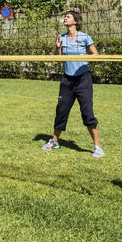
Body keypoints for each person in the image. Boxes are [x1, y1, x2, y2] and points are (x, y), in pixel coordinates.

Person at [42, 10, 104, 158]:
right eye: (64, 16)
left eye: (68, 17)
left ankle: (97, 147)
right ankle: (55, 141)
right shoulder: (61, 37)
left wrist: (87, 55)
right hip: (67, 79)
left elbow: (96, 55)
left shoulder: (85, 37)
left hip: (83, 79)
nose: (65, 18)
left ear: (76, 21)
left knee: (87, 113)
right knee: (61, 110)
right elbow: (59, 59)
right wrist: (58, 48)